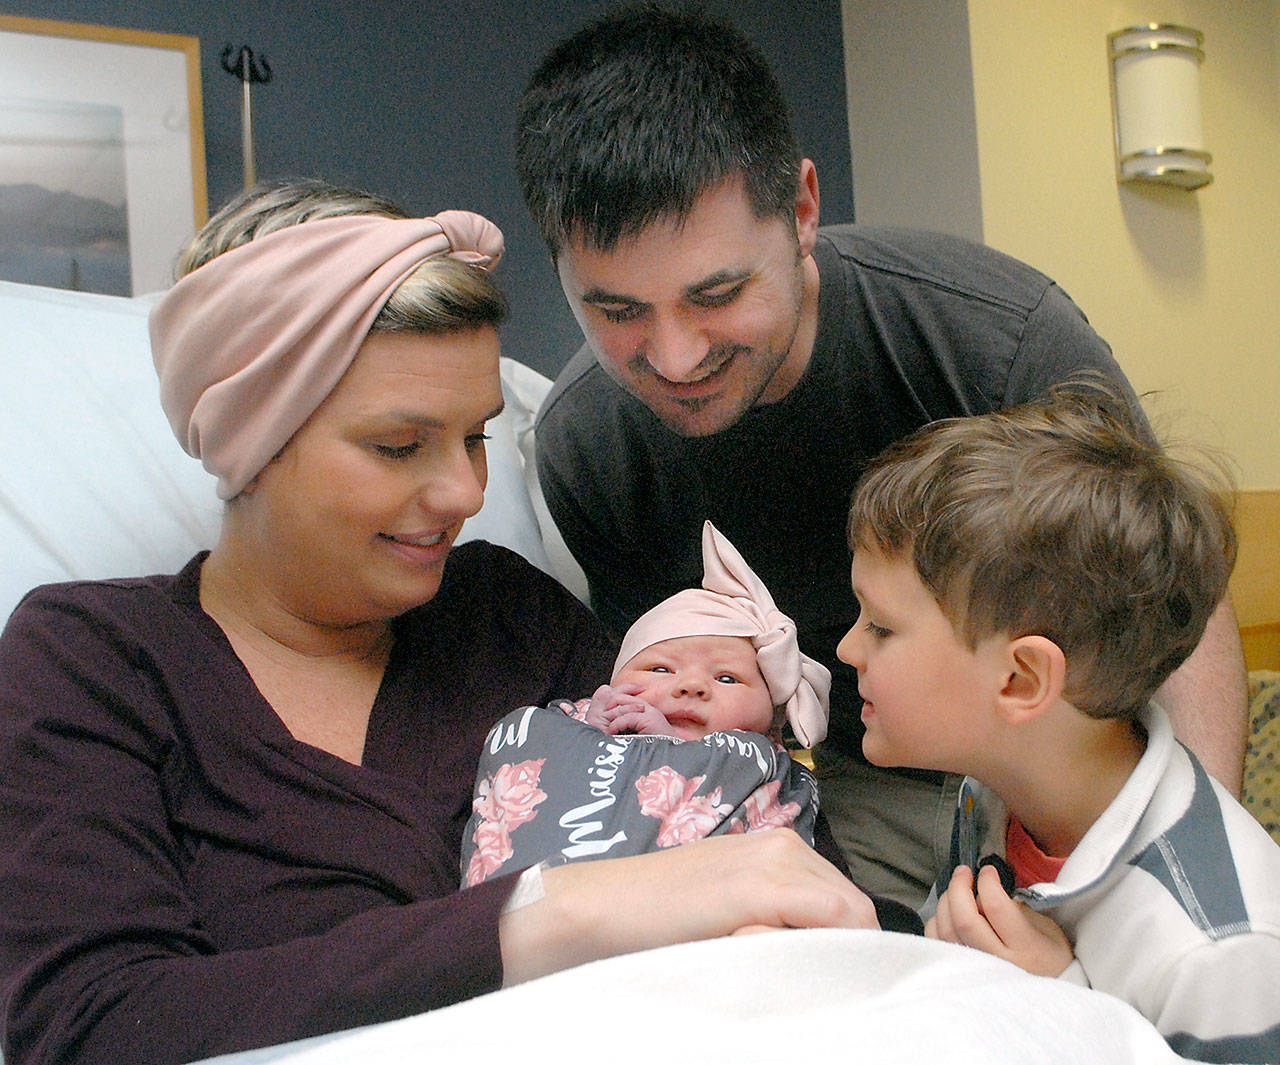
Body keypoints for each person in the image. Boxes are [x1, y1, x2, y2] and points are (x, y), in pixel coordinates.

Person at [0, 180, 881, 1065]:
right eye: (397, 446)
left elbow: (777, 848)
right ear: (248, 438)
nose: (465, 493)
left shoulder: (505, 617)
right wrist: (553, 910)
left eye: (477, 437)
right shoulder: (94, 660)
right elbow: (90, 1021)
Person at [516, 4, 1249, 907]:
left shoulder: (991, 340)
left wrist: (1188, 867)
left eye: (718, 292)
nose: (673, 358)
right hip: (823, 790)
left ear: (803, 210)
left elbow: (1170, 604)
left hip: (1058, 763)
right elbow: (662, 722)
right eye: (618, 311)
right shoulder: (587, 442)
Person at [836, 385, 1280, 1063]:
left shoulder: (1222, 952)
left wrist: (1065, 1006)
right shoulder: (996, 784)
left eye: (881, 626)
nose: (847, 648)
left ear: (1021, 680)